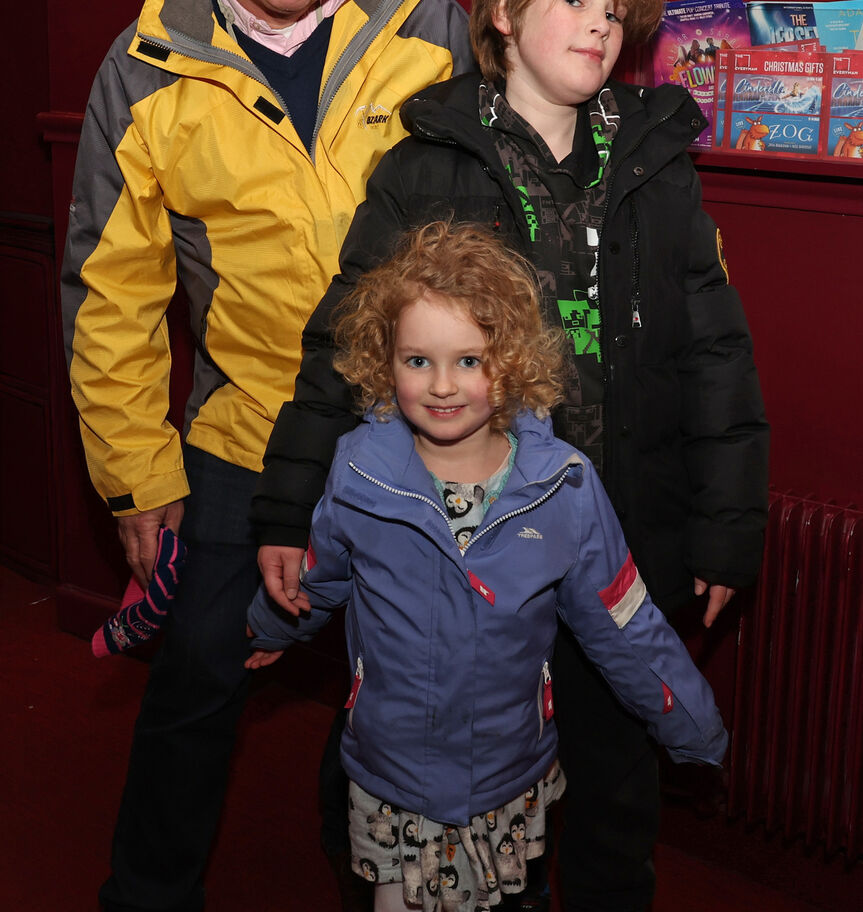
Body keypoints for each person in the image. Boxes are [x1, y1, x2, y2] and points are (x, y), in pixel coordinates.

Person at [251, 0, 770, 912]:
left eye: (611, 11)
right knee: (440, 784)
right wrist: (283, 510)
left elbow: (716, 355)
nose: (597, 27)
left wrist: (727, 529)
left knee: (616, 803)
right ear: (501, 12)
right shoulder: (427, 163)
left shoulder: (656, 160)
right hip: (464, 541)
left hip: (623, 523)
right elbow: (345, 344)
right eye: (570, 0)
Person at [61, 0, 471, 912]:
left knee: (406, 687)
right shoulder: (141, 72)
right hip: (243, 439)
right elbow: (113, 295)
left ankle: (377, 879)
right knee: (195, 680)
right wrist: (139, 476)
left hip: (415, 436)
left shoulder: (431, 32)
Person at [246, 221, 729, 912]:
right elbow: (318, 575)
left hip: (508, 771)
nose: (442, 385)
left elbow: (623, 622)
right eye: (417, 361)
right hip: (392, 773)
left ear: (510, 362)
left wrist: (693, 723)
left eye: (468, 360)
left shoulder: (561, 485)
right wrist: (269, 626)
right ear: (384, 362)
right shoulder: (359, 471)